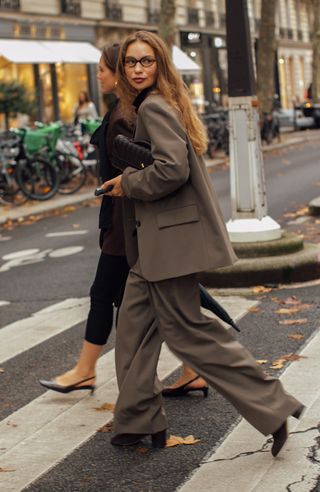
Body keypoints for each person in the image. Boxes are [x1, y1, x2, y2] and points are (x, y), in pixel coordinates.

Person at [101, 31, 304, 455]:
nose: (137, 69)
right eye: (131, 63)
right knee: (134, 332)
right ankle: (138, 420)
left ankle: (272, 405)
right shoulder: (154, 104)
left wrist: (128, 183)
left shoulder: (153, 106)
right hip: (155, 247)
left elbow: (171, 171)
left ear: (160, 65)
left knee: (191, 333)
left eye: (146, 61)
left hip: (169, 245)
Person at [39, 44, 132, 394]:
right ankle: (193, 369)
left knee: (102, 294)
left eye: (102, 69)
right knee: (165, 300)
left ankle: (85, 370)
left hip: (125, 226)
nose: (98, 75)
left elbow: (136, 171)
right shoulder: (121, 110)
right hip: (124, 224)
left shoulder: (123, 114)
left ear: (117, 72)